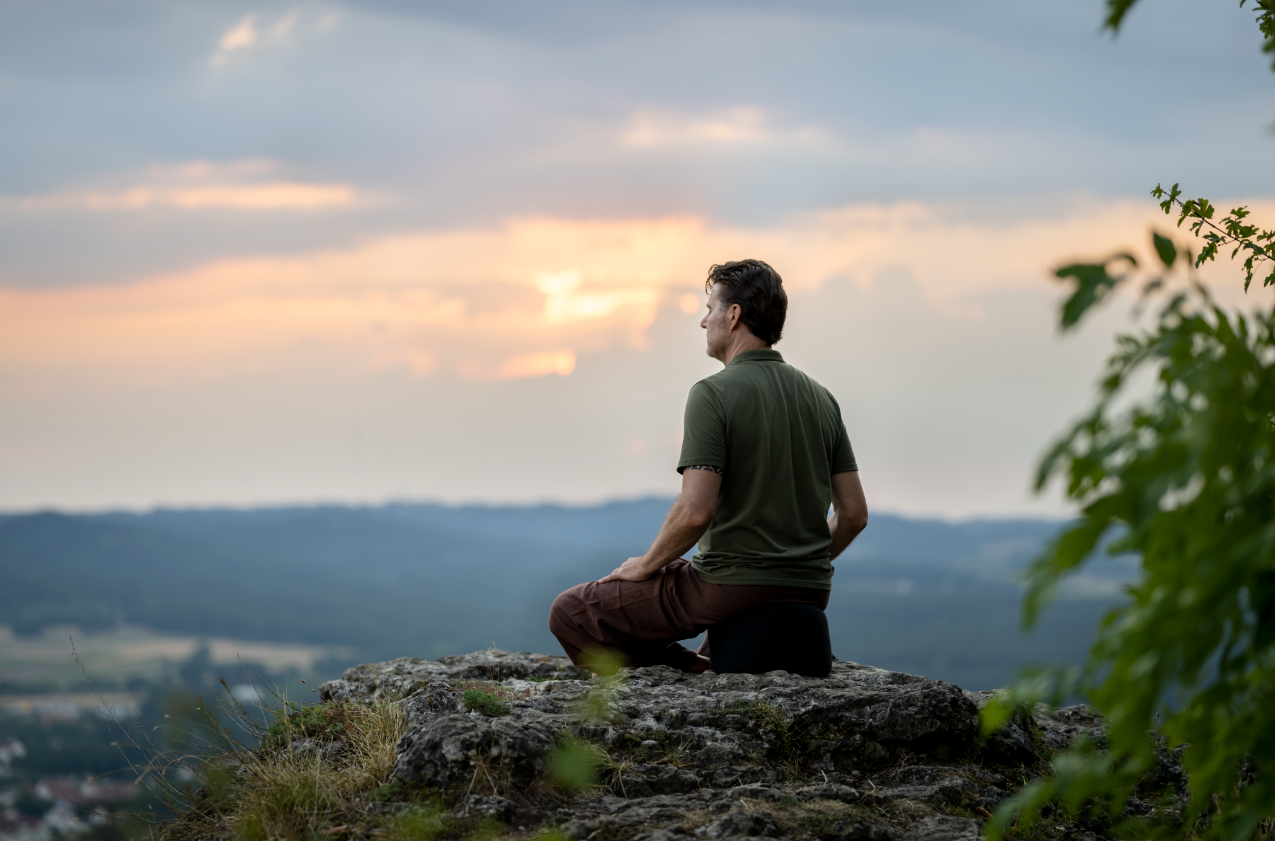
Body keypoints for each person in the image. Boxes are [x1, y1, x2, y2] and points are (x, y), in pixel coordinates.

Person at [548, 259, 868, 675]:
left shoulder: (712, 394)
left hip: (727, 583)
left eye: (709, 308)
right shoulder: (821, 397)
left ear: (733, 315)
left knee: (571, 612)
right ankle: (709, 661)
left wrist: (645, 565)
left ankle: (695, 678)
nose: (703, 322)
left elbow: (695, 512)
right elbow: (854, 514)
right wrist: (797, 563)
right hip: (810, 588)